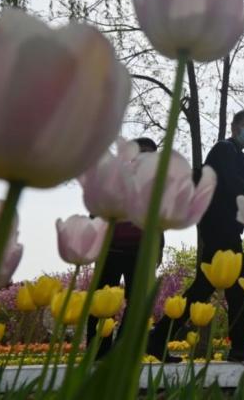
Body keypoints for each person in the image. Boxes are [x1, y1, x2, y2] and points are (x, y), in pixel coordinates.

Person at [147, 110, 244, 362]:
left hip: (227, 228)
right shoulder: (223, 150)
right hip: (219, 227)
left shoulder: (241, 158)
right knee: (238, 287)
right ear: (234, 126)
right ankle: (240, 347)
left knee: (203, 288)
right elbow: (231, 183)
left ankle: (157, 339)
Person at [86, 137, 166, 359]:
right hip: (110, 250)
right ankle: (97, 350)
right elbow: (96, 207)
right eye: (142, 152)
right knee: (102, 303)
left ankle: (121, 349)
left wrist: (158, 248)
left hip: (140, 253)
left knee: (137, 304)